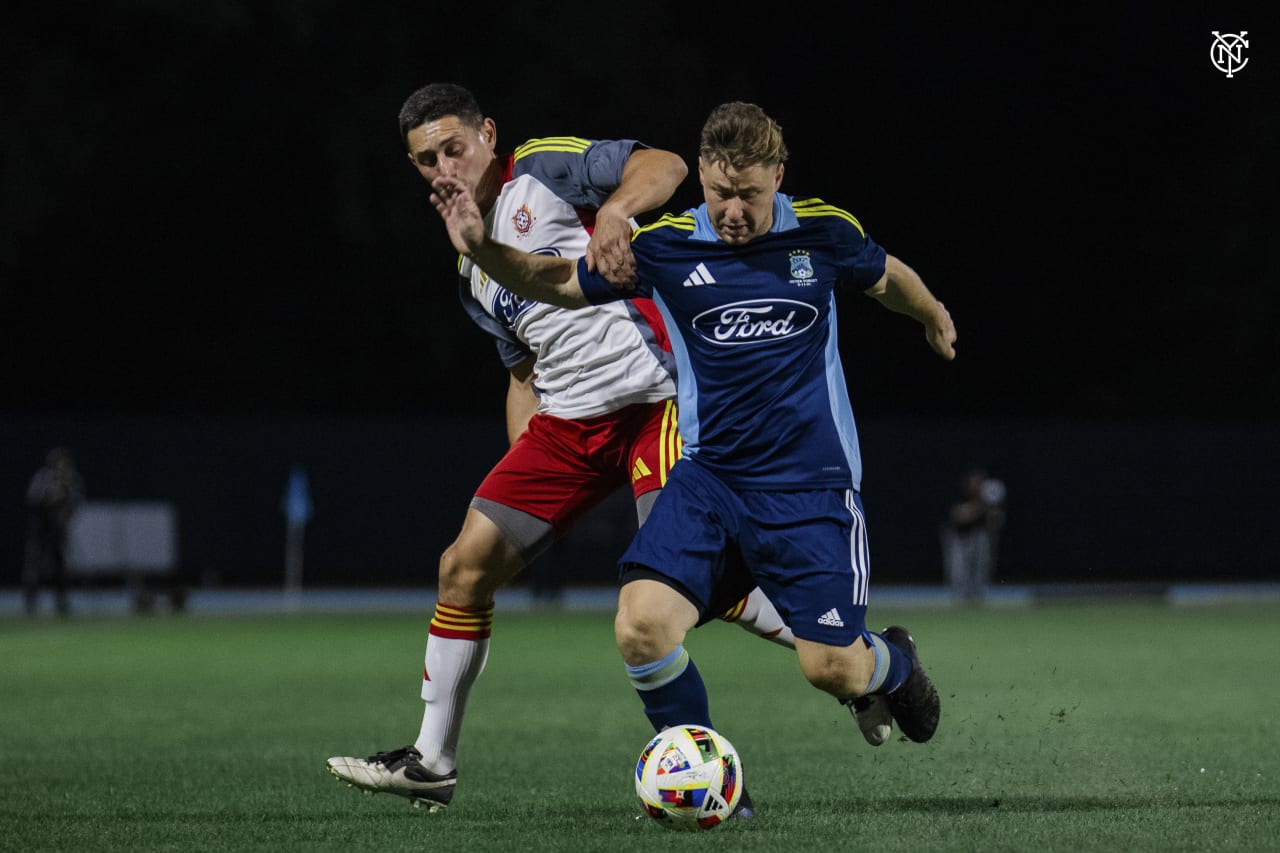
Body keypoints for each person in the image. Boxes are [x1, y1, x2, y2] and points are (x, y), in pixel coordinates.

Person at [326, 84, 847, 815]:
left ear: (488, 134)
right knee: (462, 566)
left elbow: (664, 166)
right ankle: (432, 761)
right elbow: (522, 373)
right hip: (569, 426)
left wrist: (613, 211)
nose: (444, 166)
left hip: (655, 396)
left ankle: (840, 670)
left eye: (454, 147)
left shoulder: (540, 169)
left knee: (693, 583)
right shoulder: (471, 269)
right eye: (425, 160)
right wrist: (531, 480)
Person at [428, 100, 955, 755]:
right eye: (719, 193)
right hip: (708, 483)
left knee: (830, 667)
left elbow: (885, 277)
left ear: (779, 177)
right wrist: (482, 246)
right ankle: (706, 778)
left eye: (749, 196)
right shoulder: (669, 246)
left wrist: (931, 312)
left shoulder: (822, 233)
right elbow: (558, 280)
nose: (732, 211)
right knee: (641, 626)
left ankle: (894, 661)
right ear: (703, 175)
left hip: (808, 490)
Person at [22, 447, 85, 616]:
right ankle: (30, 603)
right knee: (34, 565)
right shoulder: (43, 477)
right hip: (40, 530)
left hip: (58, 530)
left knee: (59, 567)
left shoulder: (71, 479)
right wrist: (50, 495)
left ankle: (61, 602)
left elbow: (76, 502)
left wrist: (65, 509)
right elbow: (32, 498)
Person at [940, 465, 1006, 603]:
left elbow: (995, 522)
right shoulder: (959, 494)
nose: (977, 485)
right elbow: (958, 515)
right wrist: (980, 506)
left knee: (981, 569)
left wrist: (992, 510)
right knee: (958, 572)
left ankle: (978, 596)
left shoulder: (987, 498)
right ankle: (958, 599)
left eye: (980, 482)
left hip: (980, 538)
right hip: (960, 538)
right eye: (975, 482)